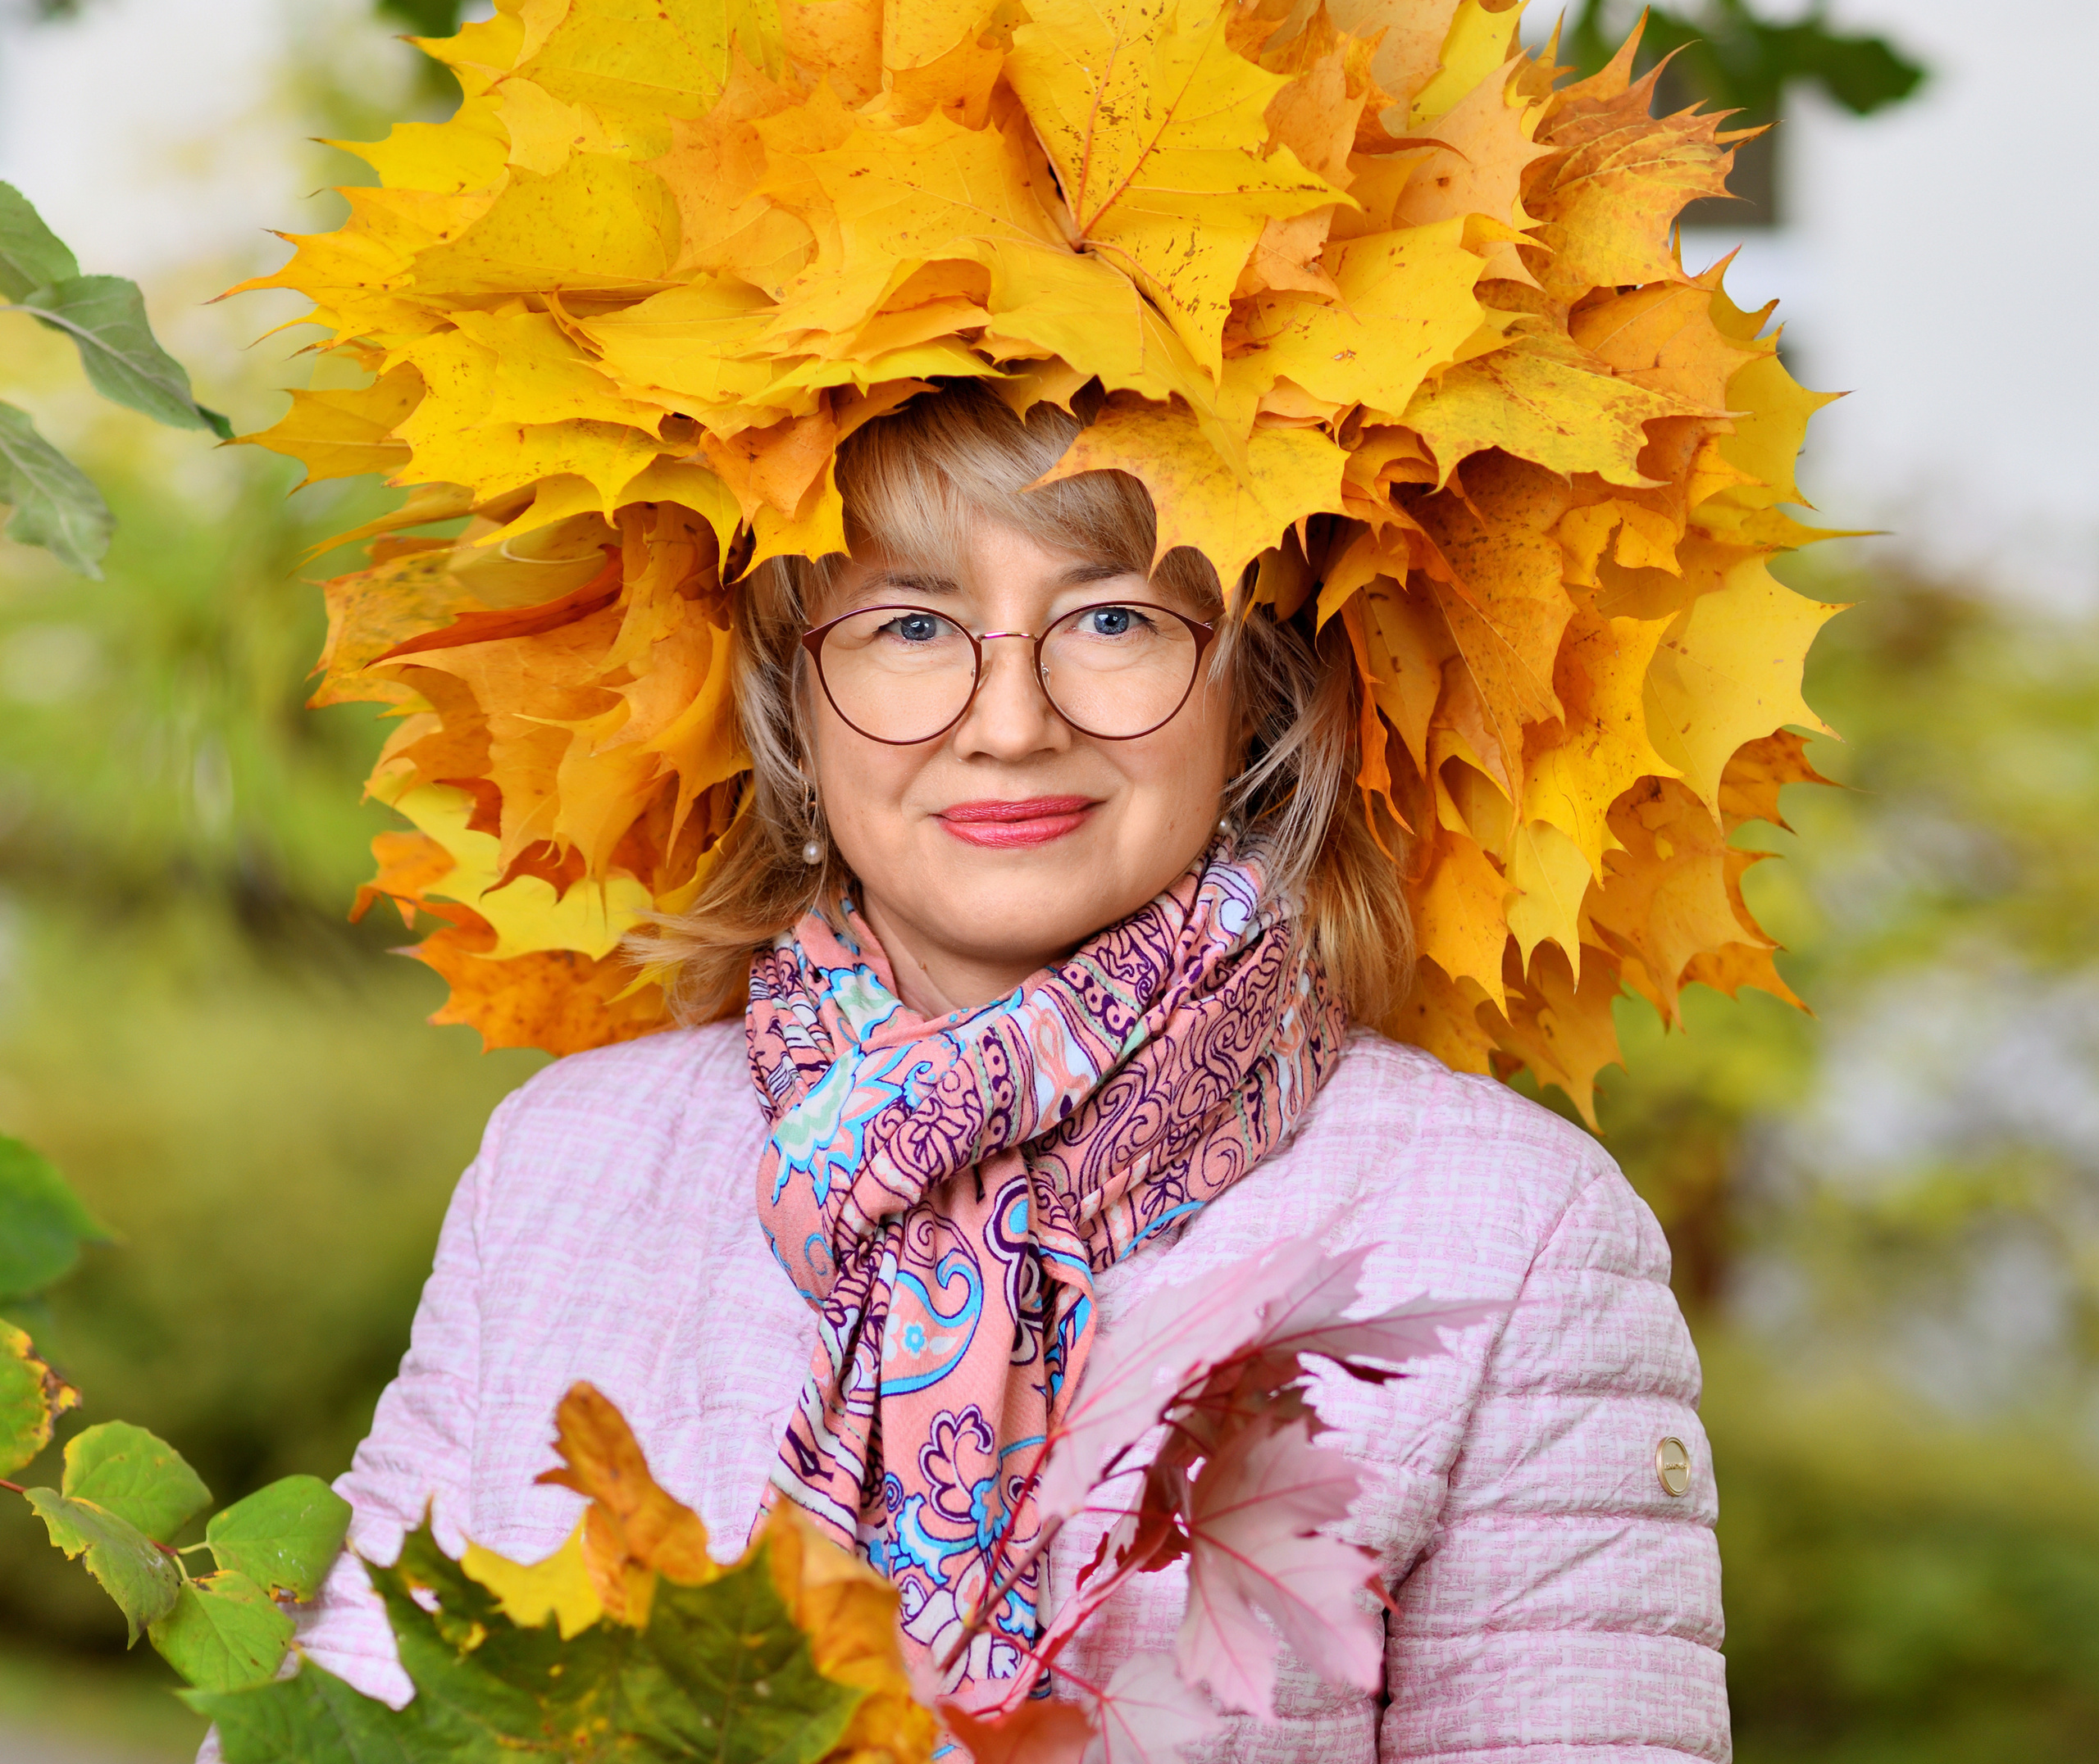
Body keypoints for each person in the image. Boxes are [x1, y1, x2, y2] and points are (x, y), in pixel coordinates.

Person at [288, 384, 1728, 1759]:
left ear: (1257, 692)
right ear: (796, 705)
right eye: (913, 626)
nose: (1010, 720)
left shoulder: (1508, 1228)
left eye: (1113, 617)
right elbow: (347, 1733)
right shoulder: (570, 1165)